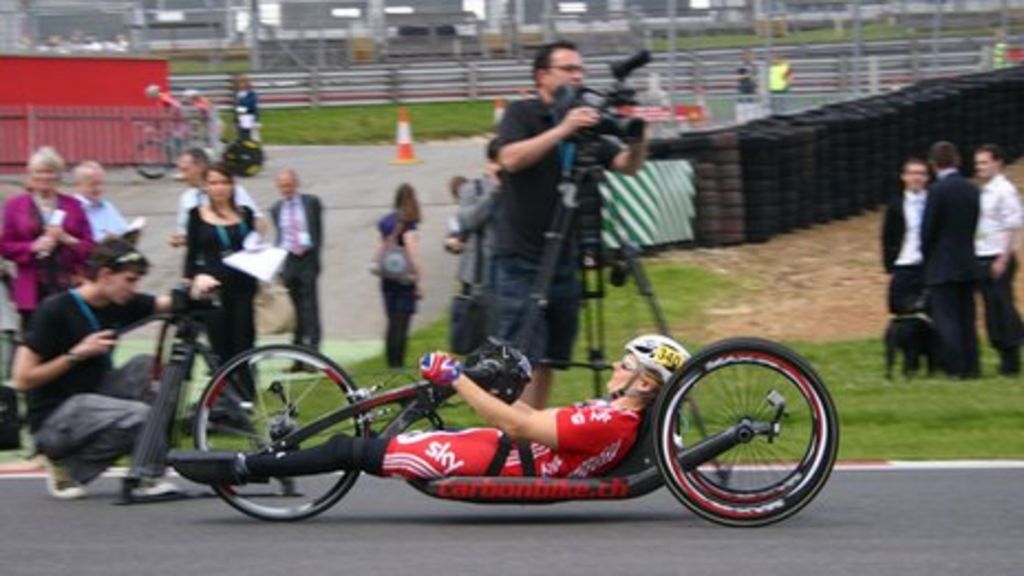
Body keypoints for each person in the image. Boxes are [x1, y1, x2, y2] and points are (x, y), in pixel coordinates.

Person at [169, 335, 688, 485]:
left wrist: (458, 377)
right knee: (432, 401)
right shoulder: (618, 414)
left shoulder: (612, 419)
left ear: (645, 381)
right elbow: (527, 420)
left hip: (497, 459)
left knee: (352, 449)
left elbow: (517, 425)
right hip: (504, 451)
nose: (616, 368)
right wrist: (499, 384)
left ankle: (247, 468)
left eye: (626, 365)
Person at [493, 40, 647, 408]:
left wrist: (639, 133)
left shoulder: (585, 123)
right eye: (569, 69)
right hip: (522, 258)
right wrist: (562, 129)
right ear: (543, 76)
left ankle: (531, 436)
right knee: (522, 359)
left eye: (581, 70)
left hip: (565, 259)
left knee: (550, 359)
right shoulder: (523, 113)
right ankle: (514, 444)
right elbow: (510, 159)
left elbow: (628, 164)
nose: (578, 76)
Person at [11, 239, 178, 499]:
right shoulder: (54, 310)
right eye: (130, 280)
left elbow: (167, 303)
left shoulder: (119, 300)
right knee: (142, 415)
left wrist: (199, 286)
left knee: (151, 369)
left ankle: (146, 475)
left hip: (94, 398)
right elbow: (21, 379)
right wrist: (75, 354)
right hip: (56, 417)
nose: (135, 289)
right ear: (105, 275)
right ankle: (68, 467)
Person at [0, 146, 94, 332]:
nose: (44, 177)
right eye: (39, 172)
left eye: (50, 172)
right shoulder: (14, 206)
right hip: (32, 290)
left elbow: (91, 249)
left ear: (59, 175)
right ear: (31, 175)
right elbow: (5, 246)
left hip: (70, 286)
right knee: (34, 341)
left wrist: (66, 238)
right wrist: (31, 247)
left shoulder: (74, 206)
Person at [183, 164, 257, 394]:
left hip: (243, 287)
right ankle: (225, 397)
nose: (219, 188)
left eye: (224, 182)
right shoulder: (196, 216)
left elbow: (252, 248)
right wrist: (195, 277)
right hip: (213, 290)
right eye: (213, 183)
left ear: (232, 185)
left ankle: (247, 396)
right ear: (206, 186)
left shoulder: (245, 214)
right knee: (220, 347)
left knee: (243, 344)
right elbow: (190, 259)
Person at [921, 141, 980, 379]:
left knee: (947, 320)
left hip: (942, 265)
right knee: (968, 319)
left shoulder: (936, 191)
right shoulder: (971, 189)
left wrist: (928, 257)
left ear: (933, 165)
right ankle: (972, 367)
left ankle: (955, 369)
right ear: (957, 161)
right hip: (967, 262)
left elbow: (928, 231)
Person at [972, 144, 1023, 375]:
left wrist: (1003, 258)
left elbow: (1014, 225)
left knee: (1003, 307)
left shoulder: (1004, 190)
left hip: (998, 256)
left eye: (984, 162)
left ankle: (1011, 358)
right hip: (983, 255)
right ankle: (1002, 351)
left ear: (997, 162)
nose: (979, 167)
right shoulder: (984, 190)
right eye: (978, 163)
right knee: (992, 309)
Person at [270, 168, 323, 352]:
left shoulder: (311, 203)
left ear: (296, 183)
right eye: (283, 186)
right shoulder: (276, 209)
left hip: (306, 257)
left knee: (310, 306)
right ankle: (298, 350)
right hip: (289, 259)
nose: (287, 189)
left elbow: (318, 230)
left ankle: (313, 348)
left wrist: (316, 257)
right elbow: (280, 234)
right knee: (294, 308)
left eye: (289, 185)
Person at [169, 148, 264, 248]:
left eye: (185, 170)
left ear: (200, 167)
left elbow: (259, 222)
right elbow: (186, 232)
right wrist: (179, 240)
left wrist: (250, 244)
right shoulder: (187, 198)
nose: (182, 176)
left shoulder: (232, 191)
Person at [376, 184, 424, 368]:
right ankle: (398, 362)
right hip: (405, 278)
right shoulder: (409, 224)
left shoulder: (386, 222)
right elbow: (413, 253)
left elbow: (382, 246)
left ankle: (390, 360)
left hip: (388, 276)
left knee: (391, 320)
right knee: (402, 322)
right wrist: (418, 279)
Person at [882, 158, 931, 314]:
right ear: (904, 177)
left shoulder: (934, 201)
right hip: (904, 264)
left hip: (928, 266)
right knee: (900, 310)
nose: (916, 178)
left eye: (921, 174)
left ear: (927, 178)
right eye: (912, 173)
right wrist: (891, 265)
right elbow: (888, 236)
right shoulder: (896, 205)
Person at [73, 161, 129, 242]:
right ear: (79, 185)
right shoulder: (72, 208)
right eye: (93, 184)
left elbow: (123, 230)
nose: (98, 188)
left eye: (100, 183)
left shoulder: (107, 206)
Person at [233, 75, 260, 142]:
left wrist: (257, 120)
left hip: (249, 117)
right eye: (239, 83)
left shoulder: (251, 94)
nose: (241, 85)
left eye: (243, 83)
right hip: (240, 118)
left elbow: (250, 106)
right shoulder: (237, 94)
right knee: (241, 137)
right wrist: (235, 120)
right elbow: (236, 109)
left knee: (251, 137)